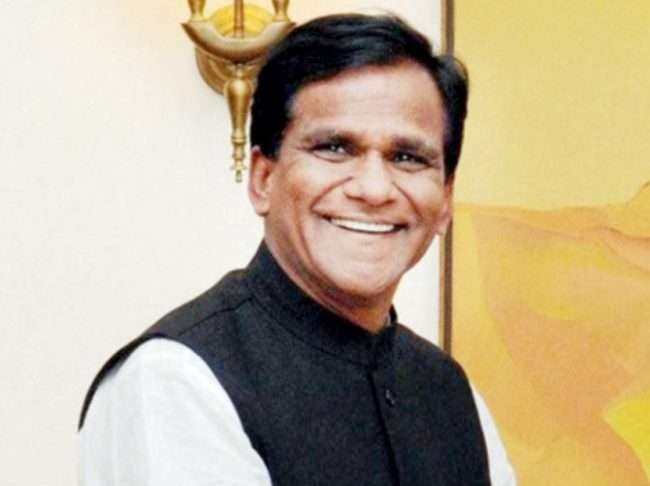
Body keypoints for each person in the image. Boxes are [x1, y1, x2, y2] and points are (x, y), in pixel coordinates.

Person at [78, 13, 516, 486]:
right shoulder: (176, 380)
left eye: (407, 158)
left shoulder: (453, 394)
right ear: (264, 178)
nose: (374, 189)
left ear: (446, 200)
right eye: (334, 148)